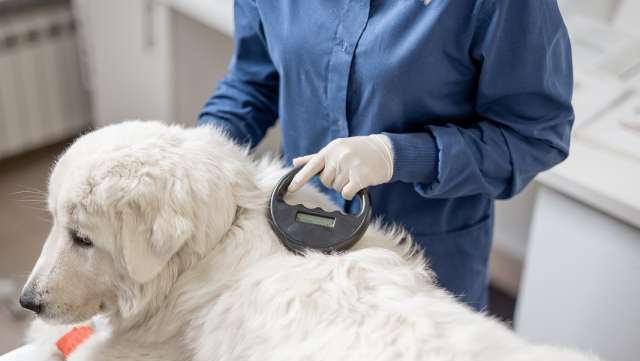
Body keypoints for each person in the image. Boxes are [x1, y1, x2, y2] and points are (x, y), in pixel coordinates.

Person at [198, 0, 574, 311]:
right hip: (298, 245)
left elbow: (534, 136)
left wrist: (399, 155)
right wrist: (201, 149)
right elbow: (253, 81)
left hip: (423, 266)